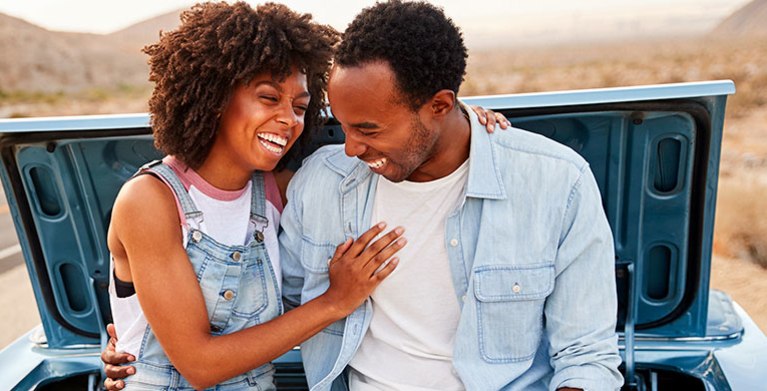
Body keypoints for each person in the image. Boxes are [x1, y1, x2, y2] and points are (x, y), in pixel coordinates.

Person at [102, 2, 509, 390]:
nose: (288, 120)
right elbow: (200, 365)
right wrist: (335, 301)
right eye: (268, 98)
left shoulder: (277, 191)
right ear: (214, 94)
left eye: (300, 106)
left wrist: (463, 119)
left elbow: (407, 131)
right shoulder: (151, 201)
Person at [277, 1, 623, 390]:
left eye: (369, 130)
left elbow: (586, 357)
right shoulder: (323, 180)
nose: (351, 148)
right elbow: (274, 307)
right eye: (342, 126)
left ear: (439, 105)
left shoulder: (556, 182)